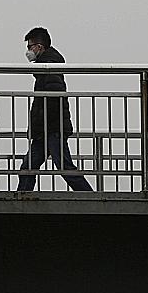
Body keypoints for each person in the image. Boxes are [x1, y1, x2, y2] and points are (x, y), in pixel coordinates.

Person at [16, 26, 93, 192]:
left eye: (30, 47)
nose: (28, 51)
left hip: (52, 128)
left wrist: (44, 126)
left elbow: (53, 99)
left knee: (64, 168)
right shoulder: (47, 67)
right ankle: (20, 200)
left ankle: (90, 197)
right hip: (45, 129)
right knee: (28, 167)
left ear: (39, 46)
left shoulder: (49, 67)